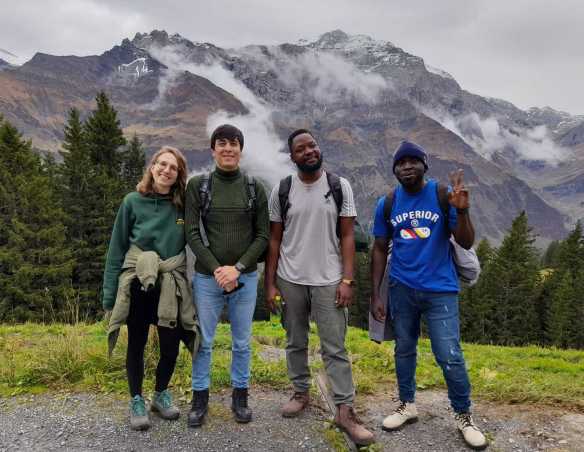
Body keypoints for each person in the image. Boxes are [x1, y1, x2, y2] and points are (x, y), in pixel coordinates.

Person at [370, 140, 487, 450]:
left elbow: (464, 240)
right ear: (394, 169)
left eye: (413, 161)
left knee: (449, 355)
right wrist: (376, 295)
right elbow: (380, 248)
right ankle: (407, 405)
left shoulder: (440, 195)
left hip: (440, 290)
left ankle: (464, 416)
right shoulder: (388, 203)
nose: (407, 166)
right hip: (401, 289)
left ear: (424, 165)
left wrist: (462, 212)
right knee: (404, 350)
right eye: (401, 162)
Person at [264, 129, 375, 446]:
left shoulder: (340, 187)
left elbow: (348, 236)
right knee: (295, 339)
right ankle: (300, 392)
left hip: (329, 279)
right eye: (301, 149)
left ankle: (344, 409)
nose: (309, 151)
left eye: (312, 145)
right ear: (293, 157)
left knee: (334, 346)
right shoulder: (283, 190)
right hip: (291, 277)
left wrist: (347, 279)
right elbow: (274, 239)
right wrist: (270, 283)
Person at [102, 146, 198, 431]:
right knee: (137, 344)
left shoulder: (183, 206)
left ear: (179, 174)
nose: (166, 170)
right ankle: (136, 399)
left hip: (170, 283)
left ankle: (160, 394)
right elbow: (116, 248)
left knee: (170, 346)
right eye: (161, 164)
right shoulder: (132, 201)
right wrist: (109, 296)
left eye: (173, 167)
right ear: (152, 166)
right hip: (138, 282)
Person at [185, 124, 269, 427]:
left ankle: (240, 397)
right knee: (203, 341)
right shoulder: (198, 186)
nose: (228, 149)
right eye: (222, 143)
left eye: (234, 143)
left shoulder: (254, 187)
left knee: (242, 342)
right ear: (213, 149)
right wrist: (219, 270)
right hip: (208, 279)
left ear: (240, 149)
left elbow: (263, 235)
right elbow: (191, 231)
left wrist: (238, 269)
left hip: (244, 279)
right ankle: (199, 398)